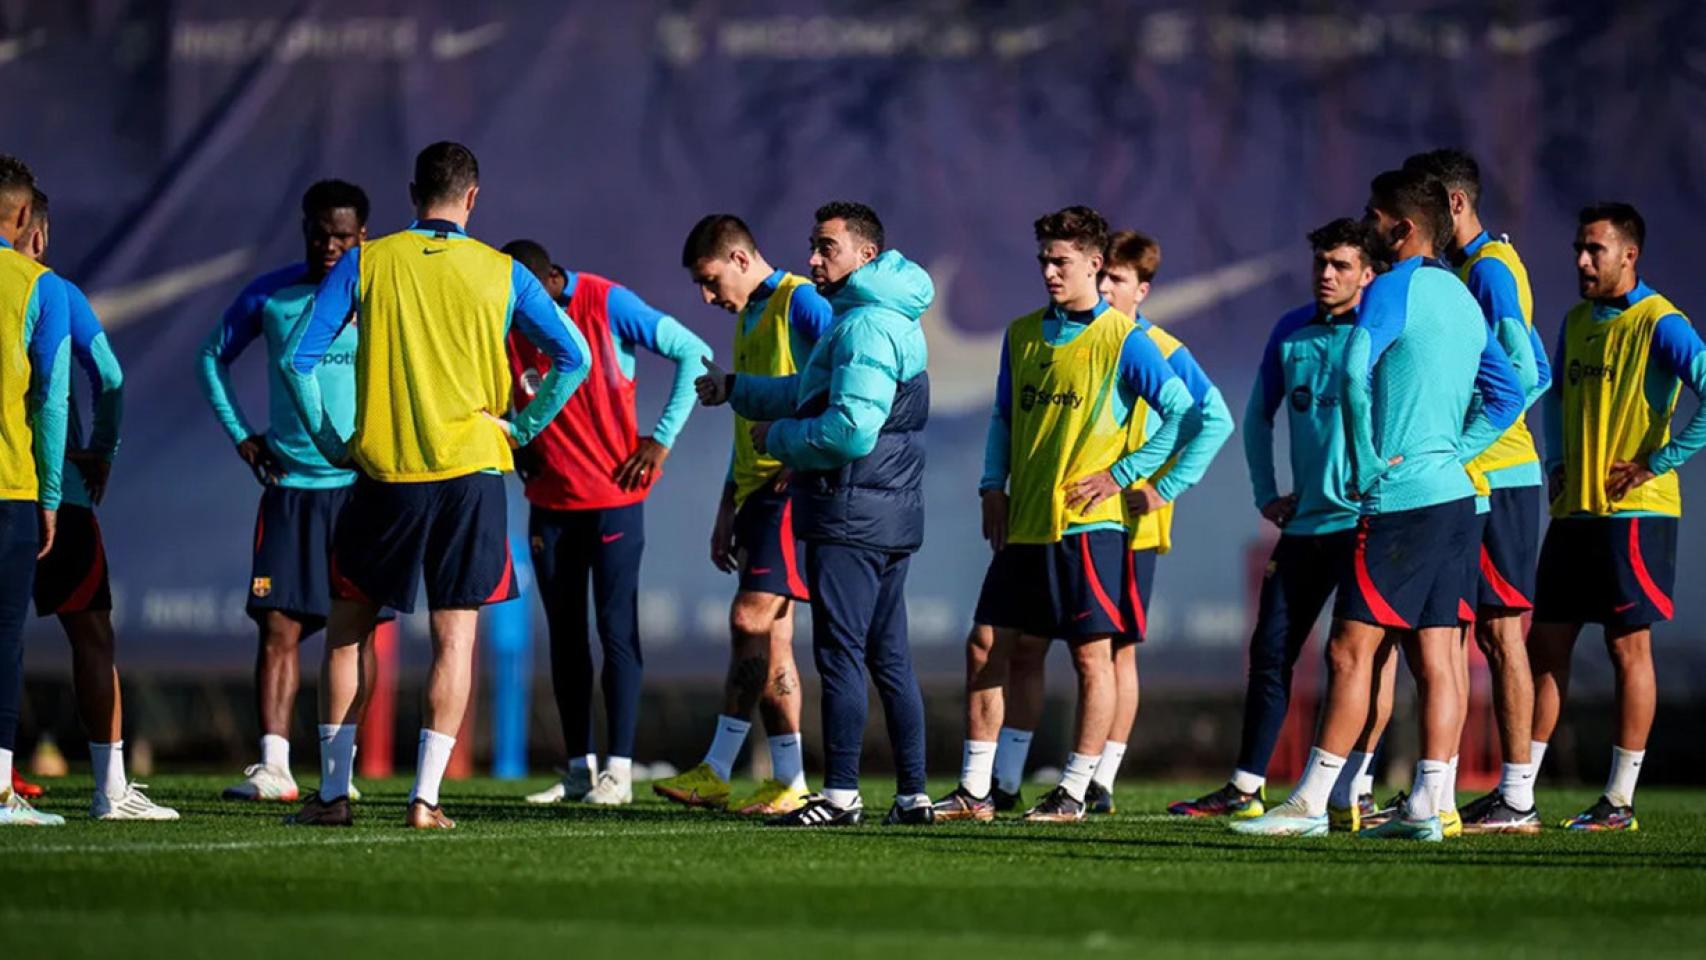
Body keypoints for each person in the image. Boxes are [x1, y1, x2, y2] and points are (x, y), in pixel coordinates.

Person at [280, 142, 589, 828]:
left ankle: (333, 796)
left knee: (347, 633)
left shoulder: (368, 258)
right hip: (472, 472)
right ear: (472, 198)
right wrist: (522, 425)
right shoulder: (502, 272)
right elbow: (576, 355)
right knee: (455, 639)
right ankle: (425, 799)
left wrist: (333, 441)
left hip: (386, 471)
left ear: (413, 191)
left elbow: (299, 360)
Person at [1232, 168, 1521, 841]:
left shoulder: (1390, 288)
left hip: (1399, 501)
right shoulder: (1458, 294)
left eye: (1375, 216)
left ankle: (1308, 802)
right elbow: (1512, 391)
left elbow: (1354, 368)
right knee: (1437, 655)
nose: (1368, 225)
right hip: (1455, 502)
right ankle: (1429, 802)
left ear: (1405, 226)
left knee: (1349, 650)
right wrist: (1452, 452)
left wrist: (1365, 457)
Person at [931, 207, 1193, 824]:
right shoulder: (1021, 334)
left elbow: (1181, 412)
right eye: (1044, 260)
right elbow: (1002, 416)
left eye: (1062, 261)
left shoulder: (1123, 340)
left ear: (1096, 265)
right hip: (1023, 521)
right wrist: (992, 483)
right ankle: (977, 790)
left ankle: (1074, 791)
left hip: (1089, 527)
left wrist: (1122, 475)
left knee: (1089, 658)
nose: (1049, 271)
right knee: (985, 644)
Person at [697, 201, 933, 827]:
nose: (813, 258)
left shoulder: (861, 325)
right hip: (884, 513)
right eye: (813, 245)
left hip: (850, 513)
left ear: (866, 255)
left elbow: (851, 431)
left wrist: (777, 440)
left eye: (827, 246)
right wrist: (739, 391)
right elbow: (812, 390)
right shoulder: (873, 317)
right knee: (889, 658)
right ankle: (912, 796)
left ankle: (841, 796)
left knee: (840, 656)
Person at [1168, 218, 1382, 822]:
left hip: (1368, 525)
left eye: (1341, 265)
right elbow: (1257, 416)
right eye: (1321, 263)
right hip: (1306, 525)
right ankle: (1245, 785)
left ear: (1368, 273)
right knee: (1270, 653)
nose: (1326, 274)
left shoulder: (1383, 334)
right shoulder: (1290, 330)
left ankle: (1354, 787)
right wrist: (1267, 494)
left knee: (1364, 659)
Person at [505, 238, 711, 807]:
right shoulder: (505, 317)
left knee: (616, 631)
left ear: (550, 281)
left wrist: (662, 440)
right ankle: (578, 771)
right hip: (549, 504)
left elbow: (695, 352)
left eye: (526, 299)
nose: (519, 313)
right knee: (566, 640)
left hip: (613, 499)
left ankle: (618, 773)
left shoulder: (606, 302)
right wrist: (512, 434)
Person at [197, 179, 380, 803]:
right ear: (305, 227)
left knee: (355, 634)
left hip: (358, 488)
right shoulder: (270, 295)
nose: (331, 246)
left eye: (344, 236)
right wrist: (243, 436)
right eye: (321, 233)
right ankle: (274, 766)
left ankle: (341, 770)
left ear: (364, 236)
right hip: (289, 490)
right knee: (277, 629)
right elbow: (211, 359)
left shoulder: (376, 292)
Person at [1529, 203, 1705, 831]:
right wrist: (1555, 461)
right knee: (1544, 644)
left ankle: (1619, 799)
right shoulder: (1576, 321)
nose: (1581, 260)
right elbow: (1553, 395)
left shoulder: (1661, 321)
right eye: (1578, 247)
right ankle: (1519, 795)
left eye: (1594, 249)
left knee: (1628, 647)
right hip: (1574, 512)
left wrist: (1658, 462)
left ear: (1629, 255)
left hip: (1636, 514)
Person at [653, 215, 833, 816]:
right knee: (775, 644)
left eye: (710, 281)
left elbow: (844, 374)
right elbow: (742, 420)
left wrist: (803, 450)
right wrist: (727, 504)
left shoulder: (800, 302)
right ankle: (788, 782)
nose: (708, 298)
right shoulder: (750, 316)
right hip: (756, 495)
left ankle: (717, 767)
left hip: (790, 488)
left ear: (738, 258)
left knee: (748, 621)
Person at [1403, 148, 1551, 834]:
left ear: (1453, 206)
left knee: (1498, 636)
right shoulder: (1463, 270)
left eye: (1425, 207)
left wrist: (1459, 447)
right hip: (1471, 476)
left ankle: (1517, 796)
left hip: (1501, 475)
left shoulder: (1490, 269)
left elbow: (1527, 373)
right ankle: (1437, 792)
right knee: (1449, 633)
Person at [18, 189, 174, 819]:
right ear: (38, 230)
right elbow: (107, 375)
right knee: (91, 636)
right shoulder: (53, 291)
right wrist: (100, 448)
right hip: (59, 489)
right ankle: (110, 788)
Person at [0, 155, 70, 826]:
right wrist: (51, 494)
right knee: (3, 637)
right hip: (10, 487)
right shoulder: (38, 287)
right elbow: (52, 401)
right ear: (25, 217)